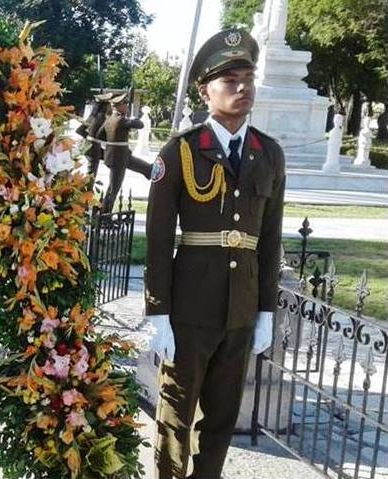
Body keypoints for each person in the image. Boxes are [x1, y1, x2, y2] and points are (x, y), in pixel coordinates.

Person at [144, 28, 285, 479]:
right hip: (189, 309)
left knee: (222, 420)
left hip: (240, 311)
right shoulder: (181, 151)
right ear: (206, 91)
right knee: (176, 419)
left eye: (248, 77)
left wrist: (265, 310)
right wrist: (158, 314)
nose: (243, 88)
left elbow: (270, 238)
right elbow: (159, 237)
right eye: (231, 81)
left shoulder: (269, 154)